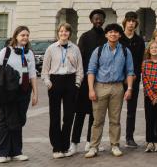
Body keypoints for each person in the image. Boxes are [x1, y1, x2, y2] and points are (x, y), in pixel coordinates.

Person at [84, 23, 135, 158]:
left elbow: (130, 71)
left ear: (119, 34)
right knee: (97, 120)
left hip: (117, 87)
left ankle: (115, 145)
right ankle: (94, 146)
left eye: (116, 32)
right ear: (106, 34)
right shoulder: (98, 50)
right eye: (110, 32)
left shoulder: (125, 51)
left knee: (115, 119)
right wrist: (91, 89)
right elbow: (91, 71)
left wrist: (129, 89)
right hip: (100, 86)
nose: (113, 34)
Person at [0, 26, 38, 164]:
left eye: (27, 35)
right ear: (16, 36)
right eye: (22, 35)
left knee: (18, 121)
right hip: (8, 90)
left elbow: (32, 74)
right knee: (5, 121)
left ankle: (16, 152)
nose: (25, 37)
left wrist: (35, 93)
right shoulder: (6, 51)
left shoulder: (29, 53)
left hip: (23, 90)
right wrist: (8, 75)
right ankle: (2, 152)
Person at [41, 23, 84, 159]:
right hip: (55, 81)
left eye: (66, 31)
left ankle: (65, 146)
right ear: (58, 33)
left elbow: (80, 69)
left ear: (70, 33)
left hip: (70, 82)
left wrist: (77, 83)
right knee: (55, 116)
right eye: (61, 31)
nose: (63, 33)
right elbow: (45, 70)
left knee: (68, 116)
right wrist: (48, 83)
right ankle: (56, 147)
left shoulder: (75, 48)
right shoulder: (51, 48)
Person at [71, 9, 106, 154]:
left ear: (103, 20)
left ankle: (90, 142)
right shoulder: (85, 37)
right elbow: (79, 59)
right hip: (85, 81)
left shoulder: (106, 37)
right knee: (79, 113)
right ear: (91, 20)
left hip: (100, 81)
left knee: (95, 114)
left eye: (100, 19)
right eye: (95, 19)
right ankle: (74, 142)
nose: (98, 21)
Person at [119, 11, 145, 148]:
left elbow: (141, 60)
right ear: (125, 22)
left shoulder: (139, 40)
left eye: (133, 21)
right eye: (129, 20)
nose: (131, 23)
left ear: (136, 23)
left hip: (133, 79)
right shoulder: (118, 38)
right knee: (115, 110)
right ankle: (115, 138)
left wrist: (136, 74)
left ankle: (129, 137)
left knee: (131, 110)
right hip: (118, 79)